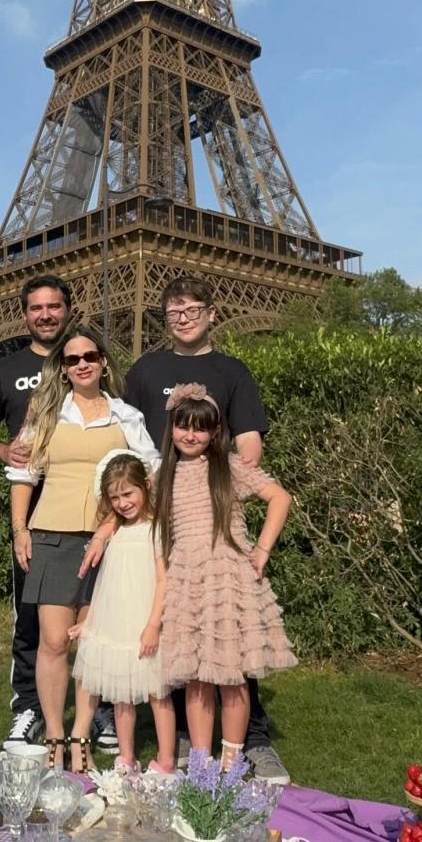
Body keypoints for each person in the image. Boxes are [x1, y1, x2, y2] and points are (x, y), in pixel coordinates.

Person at [119, 274, 286, 780]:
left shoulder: (231, 370)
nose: (183, 316)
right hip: (177, 552)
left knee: (232, 662)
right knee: (188, 663)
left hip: (225, 556)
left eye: (192, 308)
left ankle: (244, 749)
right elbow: (129, 445)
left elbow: (252, 446)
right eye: (174, 310)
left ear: (211, 312)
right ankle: (192, 754)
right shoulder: (145, 370)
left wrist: (256, 544)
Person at [8, 327, 158, 769]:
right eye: (72, 359)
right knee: (54, 641)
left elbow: (149, 473)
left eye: (90, 355)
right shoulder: (46, 415)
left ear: (104, 361)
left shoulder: (125, 416)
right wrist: (20, 529)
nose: (82, 364)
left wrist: (110, 524)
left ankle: (81, 735)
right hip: (51, 535)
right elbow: (23, 475)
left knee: (92, 642)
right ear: (63, 368)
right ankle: (54, 734)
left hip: (108, 541)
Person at [153, 385, 296, 768]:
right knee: (197, 675)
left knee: (231, 674)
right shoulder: (161, 475)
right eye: (183, 427)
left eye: (200, 429)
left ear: (214, 432)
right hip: (186, 579)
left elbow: (280, 498)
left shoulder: (230, 467)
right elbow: (129, 510)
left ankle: (232, 761)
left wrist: (262, 549)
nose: (190, 435)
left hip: (228, 575)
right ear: (172, 428)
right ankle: (201, 759)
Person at [0, 274, 71, 745]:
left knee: (99, 612)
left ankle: (103, 708)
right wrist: (4, 451)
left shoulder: (87, 359)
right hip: (32, 512)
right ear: (25, 314)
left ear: (67, 310)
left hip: (88, 508)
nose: (46, 314)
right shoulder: (6, 368)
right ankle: (28, 706)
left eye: (54, 306)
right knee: (29, 616)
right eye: (37, 308)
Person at [67, 450, 177, 778]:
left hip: (146, 623)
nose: (122, 503)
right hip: (117, 626)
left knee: (158, 694)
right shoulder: (115, 532)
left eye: (128, 493)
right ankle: (127, 759)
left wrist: (153, 625)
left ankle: (167, 761)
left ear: (145, 486)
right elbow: (109, 585)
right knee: (121, 697)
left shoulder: (157, 529)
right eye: (115, 497)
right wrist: (91, 621)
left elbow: (162, 580)